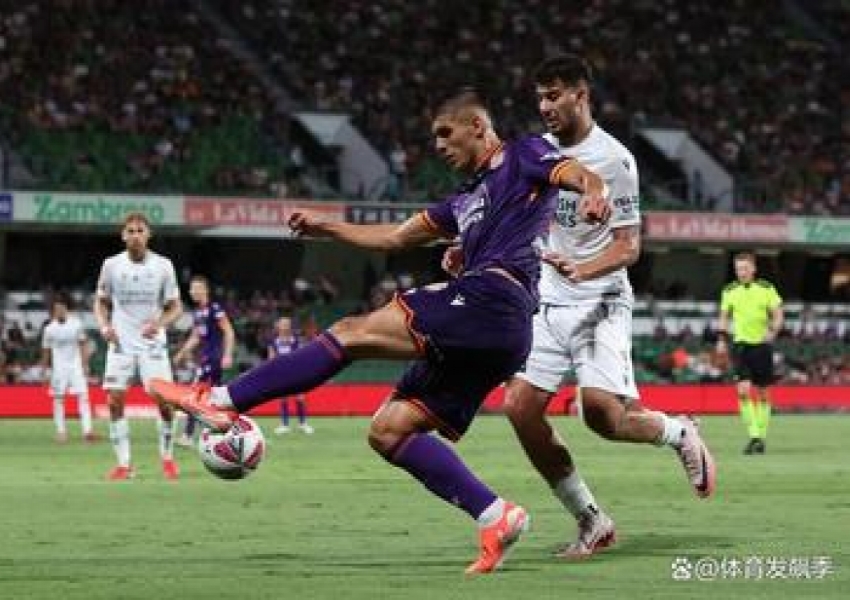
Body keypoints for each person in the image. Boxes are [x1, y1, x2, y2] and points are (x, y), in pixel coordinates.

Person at [152, 88, 610, 574]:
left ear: (478, 126)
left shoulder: (523, 155)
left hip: (493, 300)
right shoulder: (462, 201)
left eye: (446, 134)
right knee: (389, 431)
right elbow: (394, 237)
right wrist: (329, 228)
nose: (439, 145)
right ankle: (496, 516)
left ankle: (221, 401)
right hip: (496, 328)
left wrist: (595, 193)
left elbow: (578, 175)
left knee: (350, 331)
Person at [502, 55, 717, 560]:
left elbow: (628, 247)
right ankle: (591, 520)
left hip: (600, 299)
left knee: (600, 415)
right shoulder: (536, 153)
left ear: (582, 95)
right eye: (539, 96)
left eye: (554, 94)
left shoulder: (614, 160)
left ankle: (678, 431)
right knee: (518, 407)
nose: (545, 105)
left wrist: (585, 269)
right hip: (548, 300)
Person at [95, 211, 184, 481]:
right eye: (130, 231)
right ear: (123, 236)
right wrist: (104, 326)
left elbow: (176, 307)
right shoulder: (111, 265)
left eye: (140, 230)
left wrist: (160, 323)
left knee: (165, 402)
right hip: (121, 343)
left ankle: (167, 458)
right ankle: (124, 464)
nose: (135, 235)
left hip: (151, 344)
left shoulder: (163, 265)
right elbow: (100, 301)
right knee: (113, 401)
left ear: (149, 234)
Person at [716, 251, 783, 454]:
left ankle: (760, 437)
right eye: (738, 269)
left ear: (753, 269)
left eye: (745, 268)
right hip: (740, 346)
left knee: (763, 393)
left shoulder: (766, 288)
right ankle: (754, 435)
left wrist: (773, 331)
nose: (741, 272)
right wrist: (721, 340)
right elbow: (724, 317)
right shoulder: (729, 291)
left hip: (761, 347)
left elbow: (778, 315)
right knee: (743, 390)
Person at [173, 275, 236, 447]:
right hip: (206, 358)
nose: (193, 291)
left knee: (195, 395)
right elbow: (195, 336)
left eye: (197, 288)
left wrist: (227, 354)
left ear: (205, 290)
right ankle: (230, 432)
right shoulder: (198, 312)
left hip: (213, 359)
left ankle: (188, 435)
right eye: (192, 288)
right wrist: (182, 352)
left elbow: (229, 331)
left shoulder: (214, 309)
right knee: (216, 398)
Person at [40, 295, 97, 443]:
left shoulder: (76, 324)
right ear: (53, 312)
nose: (59, 311)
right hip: (59, 369)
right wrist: (44, 370)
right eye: (56, 309)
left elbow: (83, 344)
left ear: (66, 309)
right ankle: (61, 432)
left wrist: (85, 365)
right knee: (58, 399)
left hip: (76, 366)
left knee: (83, 397)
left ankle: (87, 431)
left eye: (61, 308)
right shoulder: (49, 329)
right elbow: (46, 351)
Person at [267, 316, 314, 435]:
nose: (284, 326)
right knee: (283, 398)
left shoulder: (296, 341)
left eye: (287, 324)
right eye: (282, 324)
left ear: (290, 326)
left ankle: (303, 424)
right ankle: (284, 425)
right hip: (281, 373)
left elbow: (301, 357)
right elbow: (271, 359)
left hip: (295, 372)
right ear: (278, 326)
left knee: (300, 398)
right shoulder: (273, 342)